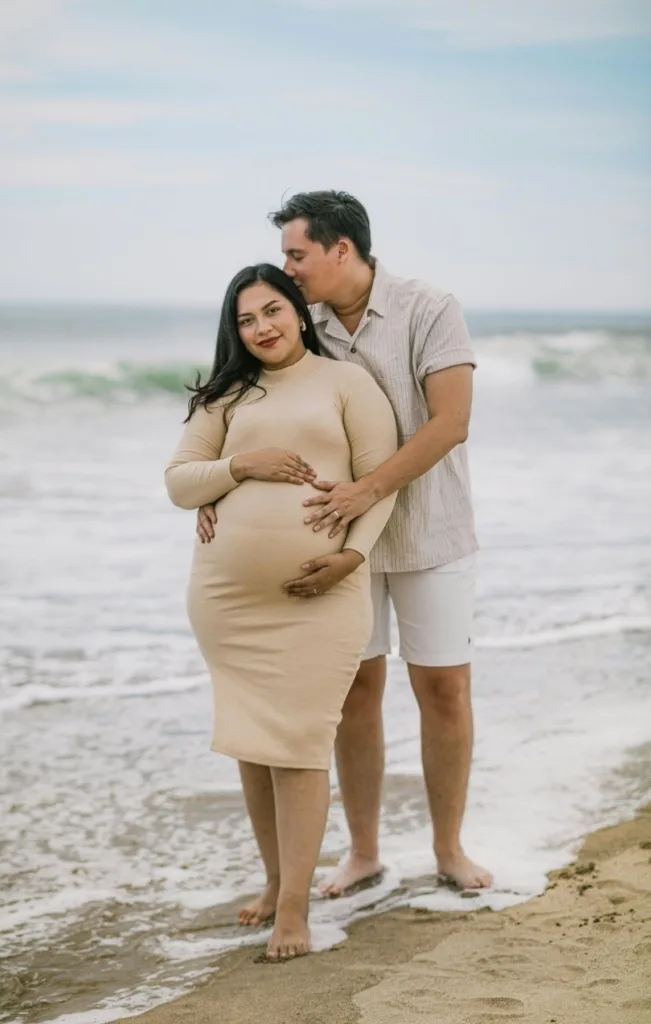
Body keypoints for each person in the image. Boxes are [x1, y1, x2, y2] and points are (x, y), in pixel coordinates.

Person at [198, 192, 493, 893]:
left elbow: (450, 423)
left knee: (443, 687)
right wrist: (215, 490)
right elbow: (257, 406)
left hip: (429, 530)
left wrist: (368, 489)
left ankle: (448, 848)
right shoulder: (304, 320)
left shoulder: (428, 307)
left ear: (341, 249)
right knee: (353, 692)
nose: (287, 270)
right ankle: (363, 851)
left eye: (296, 254)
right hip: (333, 540)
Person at [165, 263, 397, 961]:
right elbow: (178, 482)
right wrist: (241, 466)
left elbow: (378, 481)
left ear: (298, 311)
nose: (261, 327)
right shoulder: (226, 393)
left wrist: (351, 557)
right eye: (245, 319)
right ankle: (273, 883)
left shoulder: (346, 383)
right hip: (227, 601)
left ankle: (293, 912)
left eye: (272, 310)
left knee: (296, 746)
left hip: (321, 597)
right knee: (252, 742)